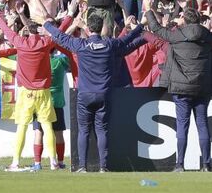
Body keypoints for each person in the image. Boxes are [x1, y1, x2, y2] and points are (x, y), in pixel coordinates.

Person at [43, 11, 146, 173]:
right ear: (102, 27)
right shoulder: (109, 45)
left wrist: (47, 24)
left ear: (88, 29)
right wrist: (141, 26)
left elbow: (59, 37)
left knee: (84, 130)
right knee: (102, 130)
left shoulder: (80, 45)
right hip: (104, 95)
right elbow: (128, 39)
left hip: (84, 95)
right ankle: (103, 167)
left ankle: (82, 166)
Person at [144, 6, 212, 172]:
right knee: (202, 125)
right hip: (202, 88)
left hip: (180, 89)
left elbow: (156, 28)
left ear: (184, 20)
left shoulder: (176, 35)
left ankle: (179, 165)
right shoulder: (207, 36)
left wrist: (149, 9)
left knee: (182, 126)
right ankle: (206, 165)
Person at [0, 0, 60, 171]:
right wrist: (70, 15)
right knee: (47, 126)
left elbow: (5, 29)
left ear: (27, 31)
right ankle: (53, 161)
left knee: (22, 127)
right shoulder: (46, 43)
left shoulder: (20, 42)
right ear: (40, 32)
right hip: (43, 92)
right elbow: (60, 33)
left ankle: (16, 161)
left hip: (26, 92)